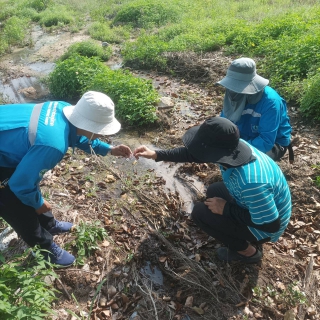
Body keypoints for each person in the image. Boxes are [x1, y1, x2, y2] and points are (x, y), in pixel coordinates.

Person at [0, 91, 132, 267]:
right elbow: (20, 184)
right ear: (92, 126)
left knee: (30, 180)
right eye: (101, 131)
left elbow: (76, 135)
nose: (102, 134)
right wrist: (39, 204)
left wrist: (109, 149)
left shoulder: (63, 108)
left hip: (7, 143)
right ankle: (45, 249)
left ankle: (50, 224)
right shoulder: (53, 145)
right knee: (14, 204)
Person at [133, 117, 291, 263]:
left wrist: (226, 209)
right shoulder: (234, 147)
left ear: (215, 153)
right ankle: (236, 230)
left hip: (267, 226)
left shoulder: (251, 182)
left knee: (200, 213)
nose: (199, 154)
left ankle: (248, 252)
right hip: (259, 208)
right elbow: (194, 154)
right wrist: (155, 154)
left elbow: (271, 226)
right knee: (214, 190)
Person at [217, 57, 293, 162]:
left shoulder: (270, 102)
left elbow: (266, 141)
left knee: (241, 160)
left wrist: (236, 150)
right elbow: (224, 123)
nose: (233, 91)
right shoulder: (233, 94)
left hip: (272, 143)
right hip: (243, 137)